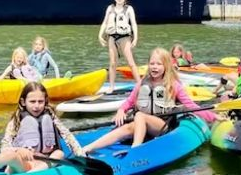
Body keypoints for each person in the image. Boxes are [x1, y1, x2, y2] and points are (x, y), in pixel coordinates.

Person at [83, 48, 218, 153]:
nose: (154, 67)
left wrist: (214, 117)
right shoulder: (143, 83)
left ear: (166, 66)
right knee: (128, 127)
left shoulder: (173, 84)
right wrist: (121, 110)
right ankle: (88, 148)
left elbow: (191, 105)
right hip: (142, 124)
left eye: (159, 64)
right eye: (152, 63)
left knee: (140, 115)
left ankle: (136, 149)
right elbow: (129, 101)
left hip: (162, 126)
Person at [0, 82, 84, 175]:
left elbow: (67, 135)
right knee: (9, 155)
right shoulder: (17, 119)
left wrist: (82, 155)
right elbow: (5, 146)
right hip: (22, 165)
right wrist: (18, 149)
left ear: (45, 101)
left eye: (40, 101)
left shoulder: (51, 116)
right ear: (23, 102)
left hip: (43, 165)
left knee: (59, 153)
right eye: (32, 102)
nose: (36, 106)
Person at [99, 0, 140, 93]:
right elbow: (105, 22)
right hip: (112, 37)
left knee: (131, 62)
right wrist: (100, 35)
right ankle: (111, 86)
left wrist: (135, 38)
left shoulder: (129, 9)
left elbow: (134, 24)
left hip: (124, 38)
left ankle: (139, 85)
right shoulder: (110, 8)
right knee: (112, 63)